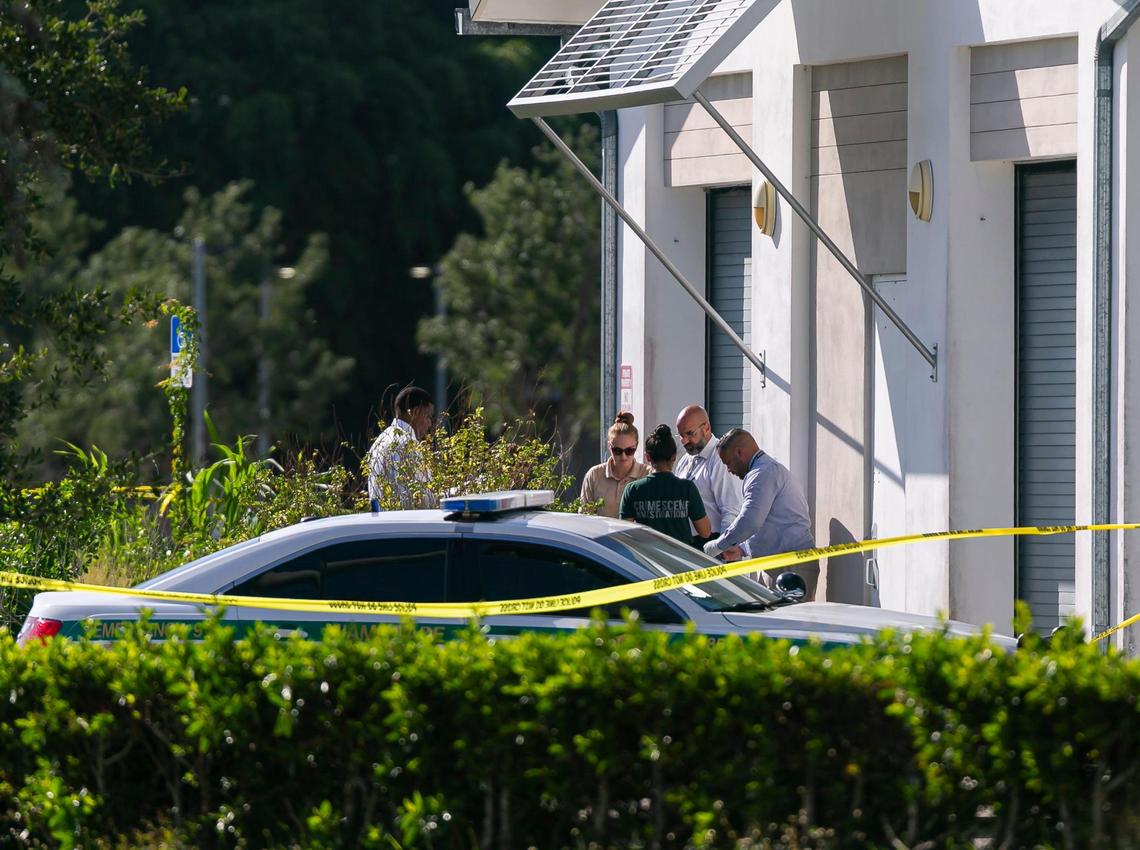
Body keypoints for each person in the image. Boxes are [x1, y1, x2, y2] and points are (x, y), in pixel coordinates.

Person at [702, 428, 819, 599]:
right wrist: (741, 549)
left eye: (728, 462)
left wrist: (718, 545)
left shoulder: (762, 474)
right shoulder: (766, 470)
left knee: (786, 623)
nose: (728, 470)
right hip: (784, 564)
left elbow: (750, 521)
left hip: (790, 567)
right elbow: (767, 524)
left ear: (740, 453)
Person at [619, 424, 711, 546]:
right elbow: (705, 532)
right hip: (682, 560)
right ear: (674, 456)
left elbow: (625, 533)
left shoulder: (632, 490)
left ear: (648, 457)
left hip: (648, 560)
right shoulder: (687, 488)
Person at [673, 404, 743, 545]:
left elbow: (731, 510)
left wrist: (724, 547)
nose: (684, 441)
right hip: (686, 543)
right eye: (681, 435)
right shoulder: (685, 461)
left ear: (706, 428)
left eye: (690, 434)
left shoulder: (720, 460)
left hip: (712, 542)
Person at [366, 385, 436, 510]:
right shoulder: (408, 444)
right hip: (406, 525)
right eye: (428, 417)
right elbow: (426, 499)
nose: (430, 424)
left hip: (381, 524)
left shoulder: (379, 441)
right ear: (415, 412)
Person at [580, 412, 651, 518]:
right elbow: (585, 516)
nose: (623, 456)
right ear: (609, 446)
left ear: (636, 446)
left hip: (635, 535)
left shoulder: (648, 474)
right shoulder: (594, 475)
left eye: (629, 451)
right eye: (617, 450)